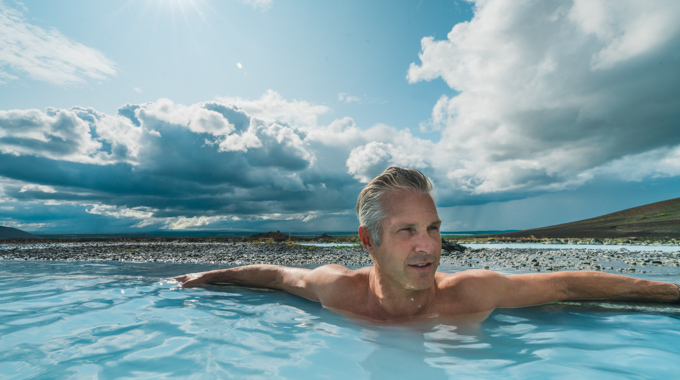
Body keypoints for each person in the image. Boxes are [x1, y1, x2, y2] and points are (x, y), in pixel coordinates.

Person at [174, 167, 680, 321]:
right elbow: (276, 275)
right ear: (367, 240)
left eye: (434, 228)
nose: (428, 247)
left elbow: (568, 284)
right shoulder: (338, 291)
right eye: (407, 231)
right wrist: (205, 278)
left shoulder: (470, 294)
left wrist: (672, 293)